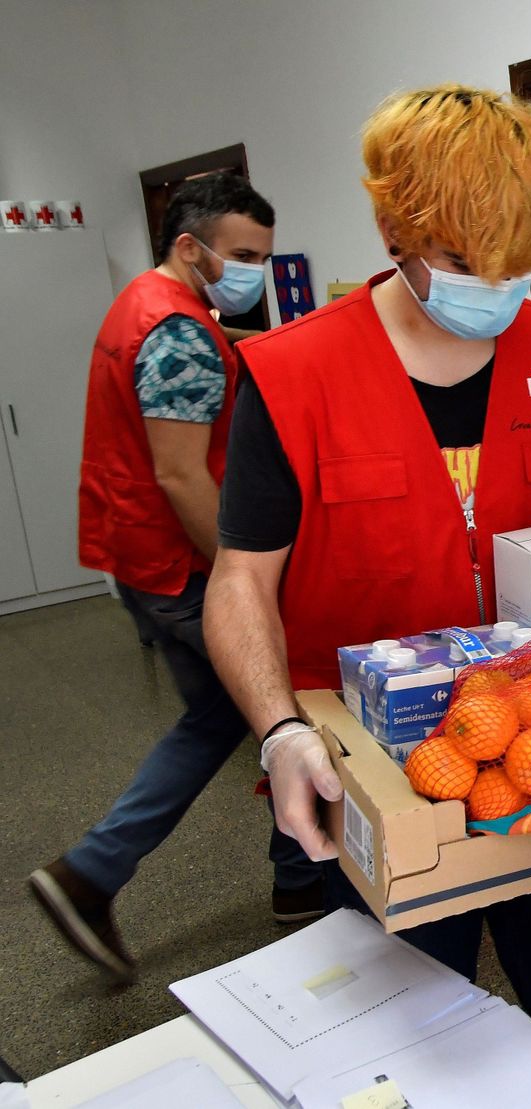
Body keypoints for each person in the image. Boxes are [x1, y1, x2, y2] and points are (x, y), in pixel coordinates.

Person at [203, 85, 531, 1108]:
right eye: (462, 262)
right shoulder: (291, 373)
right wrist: (276, 731)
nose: (492, 286)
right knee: (402, 1047)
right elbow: (240, 579)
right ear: (393, 230)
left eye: (514, 265)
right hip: (376, 770)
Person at [27, 174, 323, 985]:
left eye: (264, 256)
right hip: (181, 566)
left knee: (222, 717)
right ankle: (96, 871)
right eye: (241, 256)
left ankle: (292, 881)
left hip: (140, 557)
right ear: (188, 247)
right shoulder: (182, 333)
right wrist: (244, 584)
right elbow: (184, 476)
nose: (253, 272)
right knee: (280, 695)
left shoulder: (141, 303)